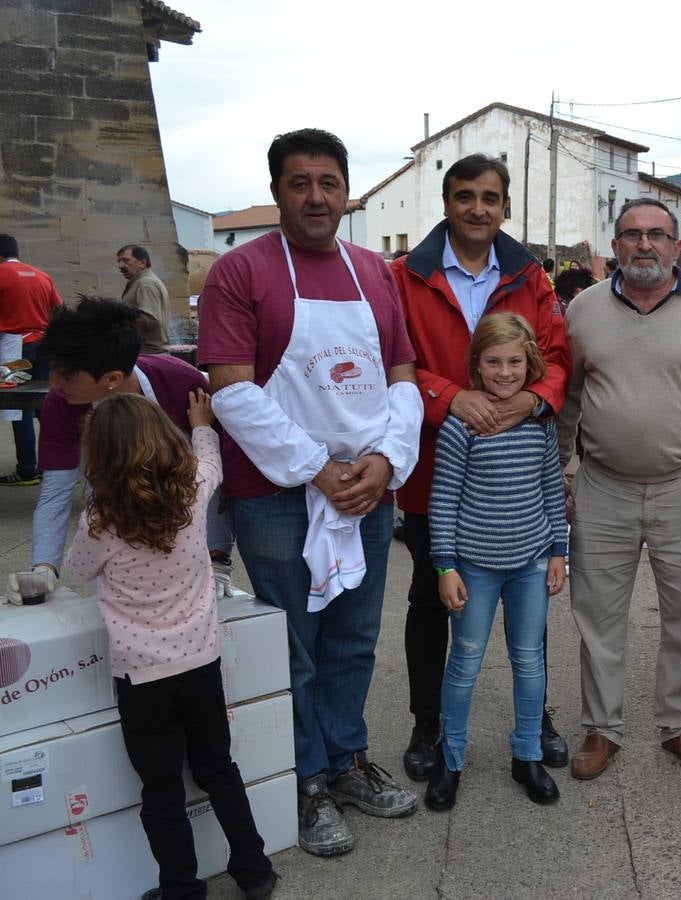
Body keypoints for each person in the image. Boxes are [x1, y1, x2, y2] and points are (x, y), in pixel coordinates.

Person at [198, 128, 424, 857]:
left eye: (329, 183)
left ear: (347, 191)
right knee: (293, 642)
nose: (317, 197)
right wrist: (316, 467)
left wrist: (387, 460)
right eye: (300, 183)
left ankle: (347, 759)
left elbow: (402, 378)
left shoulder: (374, 272)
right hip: (277, 495)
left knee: (355, 636)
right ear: (277, 193)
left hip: (367, 490)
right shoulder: (240, 271)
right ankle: (305, 780)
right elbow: (231, 390)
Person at [558, 198, 681, 780]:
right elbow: (568, 400)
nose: (644, 244)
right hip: (603, 488)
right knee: (597, 617)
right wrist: (560, 478)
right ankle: (601, 728)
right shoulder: (583, 310)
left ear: (676, 246)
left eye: (656, 235)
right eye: (632, 234)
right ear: (614, 245)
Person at [390, 152, 571, 782]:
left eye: (489, 198)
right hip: (432, 467)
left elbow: (556, 358)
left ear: (505, 207)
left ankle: (535, 720)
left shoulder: (532, 277)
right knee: (428, 597)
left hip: (515, 469)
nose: (477, 208)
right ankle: (428, 723)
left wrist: (529, 400)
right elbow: (394, 360)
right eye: (464, 196)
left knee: (528, 611)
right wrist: (450, 397)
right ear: (446, 203)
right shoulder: (404, 276)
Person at [63, 392, 277, 900]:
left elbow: (75, 572)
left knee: (162, 792)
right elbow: (210, 463)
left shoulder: (100, 520)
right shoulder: (191, 492)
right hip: (201, 661)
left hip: (142, 677)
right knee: (218, 769)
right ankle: (255, 871)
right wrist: (201, 424)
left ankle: (181, 889)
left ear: (100, 457)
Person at [424, 313, 567, 810]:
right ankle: (451, 758)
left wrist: (558, 550)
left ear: (529, 364)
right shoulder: (462, 426)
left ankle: (527, 754)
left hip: (531, 562)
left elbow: (551, 489)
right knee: (465, 661)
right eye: (493, 363)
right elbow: (443, 499)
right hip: (475, 566)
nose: (505, 373)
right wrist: (445, 566)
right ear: (476, 365)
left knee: (529, 660)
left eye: (514, 362)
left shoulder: (540, 422)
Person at [5, 298, 238, 605]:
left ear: (113, 379)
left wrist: (218, 556)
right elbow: (55, 492)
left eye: (67, 377)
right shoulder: (61, 403)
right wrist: (44, 567)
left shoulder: (183, 384)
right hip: (116, 514)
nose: (55, 385)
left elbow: (214, 474)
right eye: (54, 372)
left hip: (185, 521)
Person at [0, 233, 61, 487]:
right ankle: (53, 466)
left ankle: (26, 470)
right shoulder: (41, 275)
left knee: (19, 405)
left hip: (14, 348)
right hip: (44, 345)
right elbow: (58, 308)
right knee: (43, 405)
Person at [117, 244, 171, 354]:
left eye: (126, 260)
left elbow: (149, 320)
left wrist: (116, 324)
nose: (120, 266)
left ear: (142, 263)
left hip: (149, 354)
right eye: (119, 261)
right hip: (146, 354)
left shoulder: (145, 283)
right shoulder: (142, 282)